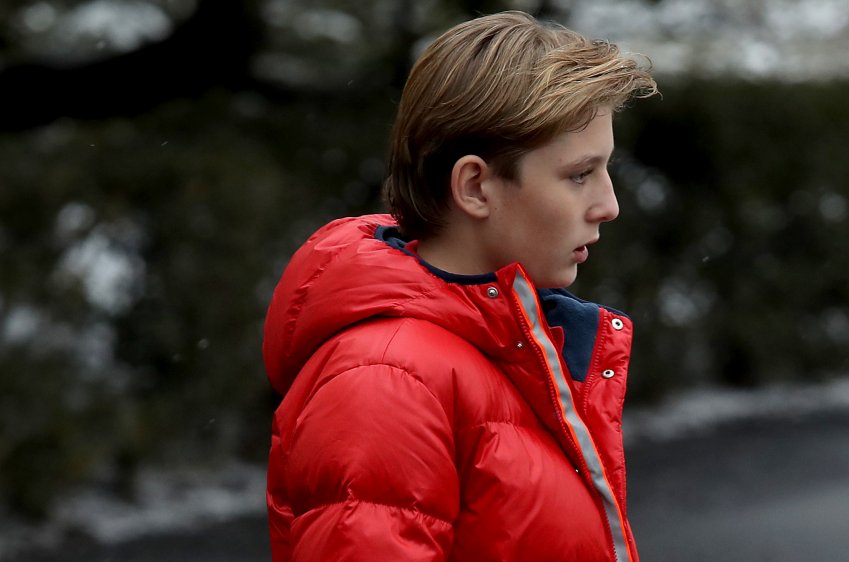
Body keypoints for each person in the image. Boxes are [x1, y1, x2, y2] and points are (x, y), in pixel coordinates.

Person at [262, 10, 658, 562]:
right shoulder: (386, 381)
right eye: (578, 175)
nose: (609, 205)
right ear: (475, 186)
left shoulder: (503, 344)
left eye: (605, 170)